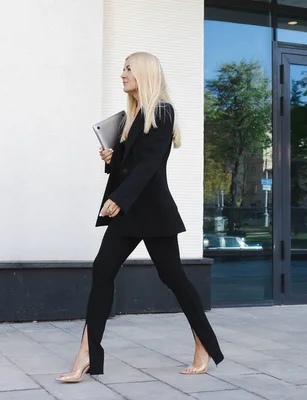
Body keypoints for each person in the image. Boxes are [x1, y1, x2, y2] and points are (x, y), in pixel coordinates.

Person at [56, 52, 224, 383]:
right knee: (102, 270)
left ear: (145, 73)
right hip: (129, 210)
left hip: (152, 211)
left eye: (128, 69)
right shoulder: (132, 115)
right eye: (122, 69)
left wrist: (118, 198)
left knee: (173, 278)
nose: (122, 75)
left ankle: (204, 345)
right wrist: (111, 158)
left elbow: (149, 166)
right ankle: (87, 353)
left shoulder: (162, 111)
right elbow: (129, 165)